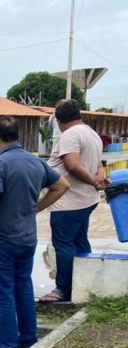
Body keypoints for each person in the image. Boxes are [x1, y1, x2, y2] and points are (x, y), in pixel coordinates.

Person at [0, 116, 70, 348]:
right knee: (24, 291)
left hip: (2, 241)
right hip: (27, 240)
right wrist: (36, 208)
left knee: (3, 295)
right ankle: (29, 342)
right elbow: (62, 186)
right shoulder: (35, 162)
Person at [40, 99, 110, 304]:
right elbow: (98, 165)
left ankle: (63, 289)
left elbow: (72, 166)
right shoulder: (91, 133)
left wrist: (94, 182)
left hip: (68, 201)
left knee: (63, 244)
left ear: (59, 120)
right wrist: (97, 179)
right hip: (86, 200)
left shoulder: (70, 135)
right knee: (79, 242)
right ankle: (84, 283)